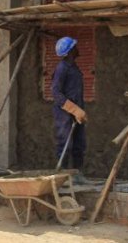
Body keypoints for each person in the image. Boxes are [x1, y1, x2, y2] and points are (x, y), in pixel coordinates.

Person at [51, 36, 87, 171]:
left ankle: (78, 174)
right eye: (75, 46)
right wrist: (72, 109)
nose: (77, 48)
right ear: (71, 50)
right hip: (64, 113)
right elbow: (55, 93)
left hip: (77, 110)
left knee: (79, 143)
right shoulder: (62, 68)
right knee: (64, 144)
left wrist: (78, 110)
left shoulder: (73, 67)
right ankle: (62, 175)